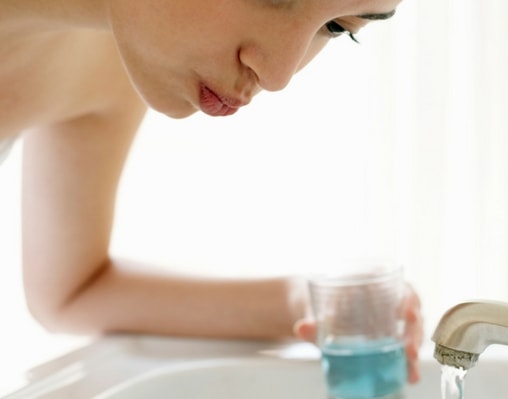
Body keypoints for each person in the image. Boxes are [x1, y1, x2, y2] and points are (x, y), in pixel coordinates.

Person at [0, 0, 423, 383]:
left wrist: (303, 304)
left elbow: (73, 290)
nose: (278, 75)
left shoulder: (106, 60)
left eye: (336, 26)